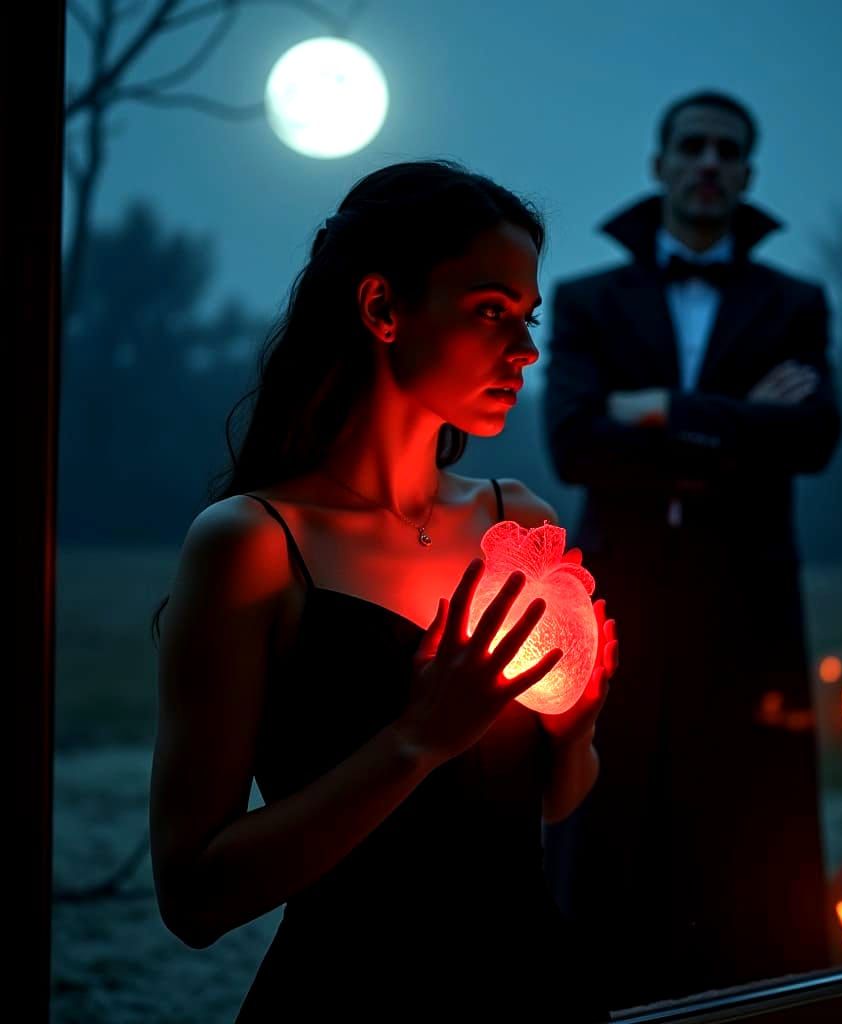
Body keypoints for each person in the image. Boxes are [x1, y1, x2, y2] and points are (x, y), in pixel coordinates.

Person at [148, 160, 618, 1023]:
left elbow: (550, 803)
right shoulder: (254, 545)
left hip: (534, 989)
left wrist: (576, 728)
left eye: (528, 318)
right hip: (352, 995)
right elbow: (193, 899)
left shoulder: (522, 525)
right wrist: (417, 740)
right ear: (382, 309)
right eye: (490, 312)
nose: (526, 350)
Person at [541, 91, 841, 1007]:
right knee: (607, 787)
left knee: (748, 800)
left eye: (728, 150)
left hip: (747, 591)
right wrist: (744, 424)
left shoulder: (796, 303)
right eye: (692, 146)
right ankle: (589, 986)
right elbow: (575, 442)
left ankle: (753, 989)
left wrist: (664, 410)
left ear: (747, 172)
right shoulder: (589, 299)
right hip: (620, 587)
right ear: (660, 162)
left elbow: (816, 438)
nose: (709, 162)